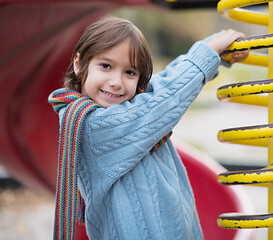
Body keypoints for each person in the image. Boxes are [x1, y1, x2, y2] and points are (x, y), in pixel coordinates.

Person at [48, 17, 248, 240]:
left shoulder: (130, 106)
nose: (116, 82)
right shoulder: (92, 128)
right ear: (79, 64)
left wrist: (217, 51)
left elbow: (162, 83)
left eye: (130, 72)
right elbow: (165, 97)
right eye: (106, 66)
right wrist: (208, 52)